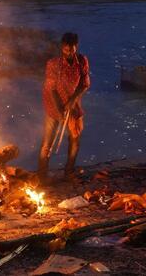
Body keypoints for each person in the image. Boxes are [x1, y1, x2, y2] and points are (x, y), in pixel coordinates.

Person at [38, 32, 90, 183]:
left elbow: (85, 84)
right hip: (53, 105)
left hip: (73, 105)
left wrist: (72, 101)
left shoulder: (82, 61)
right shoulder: (53, 64)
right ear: (62, 48)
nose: (69, 53)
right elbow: (51, 89)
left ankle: (68, 172)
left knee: (75, 139)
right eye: (66, 50)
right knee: (48, 143)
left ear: (76, 47)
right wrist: (60, 110)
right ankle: (42, 176)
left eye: (72, 50)